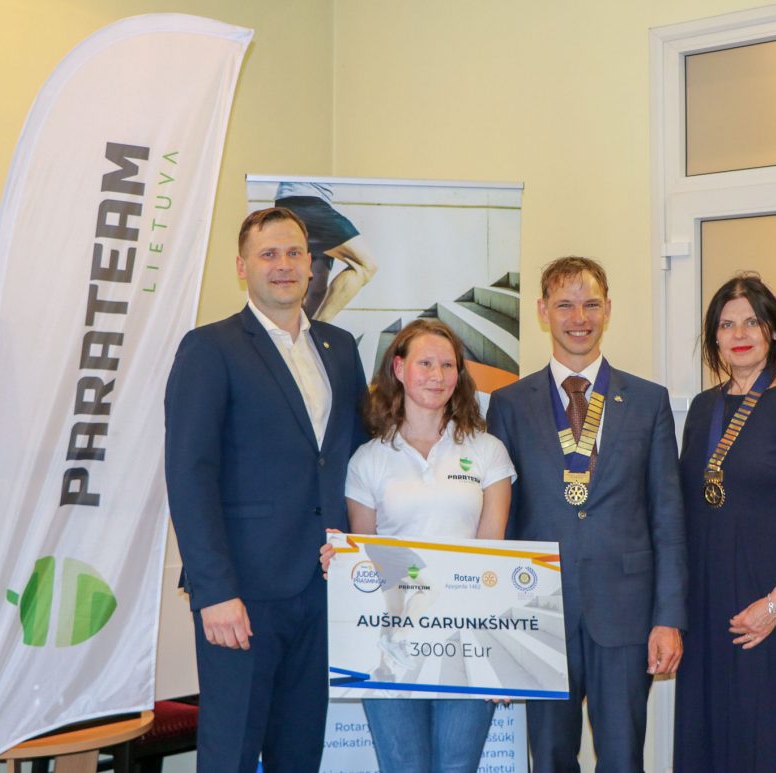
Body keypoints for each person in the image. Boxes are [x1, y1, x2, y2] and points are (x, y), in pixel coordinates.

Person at [164, 207, 367, 772]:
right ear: (242, 266)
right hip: (242, 593)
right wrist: (214, 591)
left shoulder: (340, 348)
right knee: (230, 753)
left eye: (294, 253)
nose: (284, 265)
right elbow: (189, 474)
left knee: (300, 753)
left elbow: (356, 456)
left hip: (323, 587)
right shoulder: (210, 348)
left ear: (312, 264)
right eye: (268, 254)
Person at [486, 256, 688, 772]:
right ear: (542, 311)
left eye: (591, 304)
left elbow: (667, 518)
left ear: (608, 310)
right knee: (550, 757)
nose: (579, 318)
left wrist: (668, 618)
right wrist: (498, 620)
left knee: (622, 758)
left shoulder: (648, 401)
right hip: (538, 611)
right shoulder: (509, 404)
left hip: (625, 612)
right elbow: (500, 520)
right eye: (565, 305)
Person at [321, 318, 515, 773]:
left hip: (467, 642)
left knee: (458, 767)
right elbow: (367, 557)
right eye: (425, 363)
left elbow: (494, 558)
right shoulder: (368, 460)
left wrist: (499, 656)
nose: (437, 375)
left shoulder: (487, 451)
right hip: (392, 645)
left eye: (448, 365)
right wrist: (343, 562)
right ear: (399, 368)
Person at [673, 274, 776, 772]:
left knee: (771, 736)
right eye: (727, 325)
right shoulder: (702, 409)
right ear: (714, 337)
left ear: (774, 331)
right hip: (710, 605)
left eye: (752, 321)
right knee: (713, 732)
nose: (740, 334)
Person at [275, 181, 378, 322]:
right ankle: (320, 329)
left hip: (288, 206)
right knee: (366, 265)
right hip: (307, 204)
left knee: (317, 290)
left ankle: (304, 332)